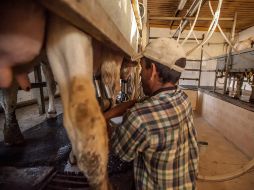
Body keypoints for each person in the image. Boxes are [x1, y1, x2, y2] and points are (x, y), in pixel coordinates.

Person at [104, 38, 199, 190]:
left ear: (153, 71)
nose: (140, 74)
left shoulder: (139, 118)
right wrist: (107, 115)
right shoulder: (182, 98)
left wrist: (102, 122)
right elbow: (139, 101)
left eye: (142, 68)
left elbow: (117, 151)